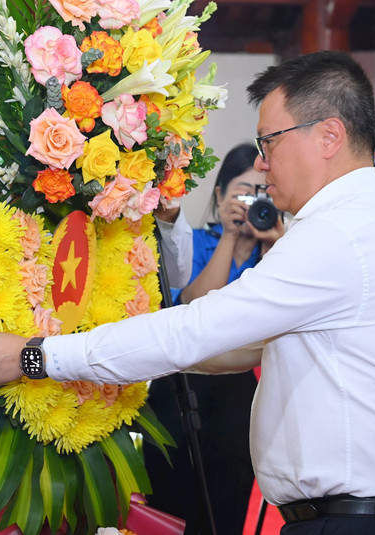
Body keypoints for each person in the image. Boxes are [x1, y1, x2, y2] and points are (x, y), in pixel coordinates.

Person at [0, 50, 375, 534]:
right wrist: (112, 349)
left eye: (269, 142)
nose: (263, 163)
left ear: (329, 136)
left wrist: (34, 357)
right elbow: (235, 348)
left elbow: (194, 331)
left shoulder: (336, 236)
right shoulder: (366, 222)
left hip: (359, 522)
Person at [143, 143, 284, 534]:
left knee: (226, 505)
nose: (252, 201)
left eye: (262, 192)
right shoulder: (194, 244)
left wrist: (276, 240)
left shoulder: (275, 254)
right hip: (182, 385)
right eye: (242, 191)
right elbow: (195, 309)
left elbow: (282, 312)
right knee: (170, 509)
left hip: (239, 395)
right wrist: (228, 237)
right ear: (220, 195)